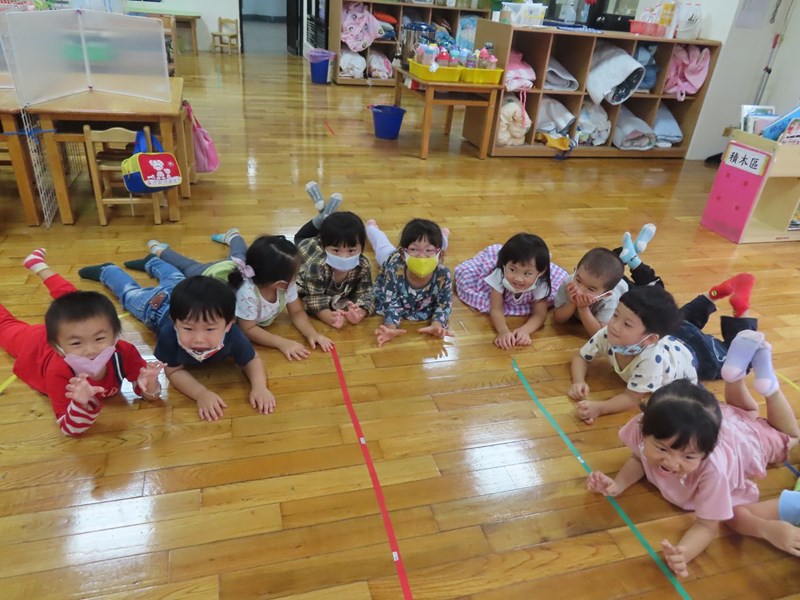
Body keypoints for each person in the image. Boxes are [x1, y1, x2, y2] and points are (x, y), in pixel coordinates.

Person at [588, 332, 800, 577]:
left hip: (749, 440)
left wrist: (684, 552)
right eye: (662, 449)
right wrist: (617, 485)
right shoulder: (646, 428)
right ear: (644, 428)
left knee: (790, 436)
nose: (671, 462)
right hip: (714, 422)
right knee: (743, 410)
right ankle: (734, 376)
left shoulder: (713, 471)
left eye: (688, 457)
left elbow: (707, 526)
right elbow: (638, 458)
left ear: (707, 452)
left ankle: (769, 387)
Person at [78, 258, 274, 422]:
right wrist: (201, 394)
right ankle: (108, 270)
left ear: (229, 325)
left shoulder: (233, 335)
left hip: (184, 303)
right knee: (129, 293)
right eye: (188, 329)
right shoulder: (169, 335)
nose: (198, 339)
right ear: (174, 323)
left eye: (210, 329)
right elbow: (173, 370)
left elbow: (252, 359)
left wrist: (259, 387)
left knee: (175, 278)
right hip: (155, 306)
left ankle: (153, 261)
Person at [0, 249, 162, 436]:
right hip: (33, 344)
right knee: (4, 325)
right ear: (58, 348)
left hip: (67, 333)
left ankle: (39, 266)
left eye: (99, 339)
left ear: (115, 335)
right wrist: (80, 405)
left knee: (77, 302)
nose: (90, 350)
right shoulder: (58, 371)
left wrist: (150, 384)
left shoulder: (124, 351)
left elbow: (148, 393)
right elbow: (68, 428)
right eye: (77, 344)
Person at [569, 273, 757, 423]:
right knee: (679, 319)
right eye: (615, 315)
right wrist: (578, 381)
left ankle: (740, 310)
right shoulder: (609, 334)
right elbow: (581, 356)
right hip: (673, 332)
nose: (614, 325)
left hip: (697, 352)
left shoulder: (650, 359)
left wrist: (599, 408)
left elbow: (631, 398)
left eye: (627, 324)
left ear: (651, 339)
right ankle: (713, 295)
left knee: (736, 361)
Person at [129, 231, 333, 361]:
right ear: (279, 283)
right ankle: (159, 251)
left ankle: (233, 236)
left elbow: (296, 312)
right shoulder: (248, 294)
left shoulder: (284, 285)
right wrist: (282, 342)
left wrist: (312, 334)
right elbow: (248, 329)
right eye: (296, 273)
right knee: (186, 265)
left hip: (239, 269)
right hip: (212, 274)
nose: (297, 277)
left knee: (238, 256)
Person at [454, 233, 568, 349]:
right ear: (504, 264)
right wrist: (503, 331)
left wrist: (525, 330)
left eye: (527, 273)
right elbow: (496, 309)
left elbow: (540, 314)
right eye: (513, 270)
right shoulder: (499, 275)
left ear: (541, 272)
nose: (518, 278)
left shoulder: (541, 282)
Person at [366, 218, 453, 347]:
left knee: (440, 242)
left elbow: (444, 305)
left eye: (429, 250)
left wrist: (437, 325)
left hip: (437, 253)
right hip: (391, 258)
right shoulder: (394, 270)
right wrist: (391, 328)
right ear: (403, 253)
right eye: (413, 249)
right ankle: (371, 227)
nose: (421, 256)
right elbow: (391, 303)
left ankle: (444, 235)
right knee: (381, 245)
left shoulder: (443, 274)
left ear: (440, 255)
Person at [295, 208, 375, 329]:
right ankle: (319, 219)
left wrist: (360, 312)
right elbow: (314, 299)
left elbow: (367, 293)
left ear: (362, 248)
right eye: (336, 251)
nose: (344, 257)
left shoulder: (363, 265)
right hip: (304, 247)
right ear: (324, 247)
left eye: (351, 250)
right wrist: (330, 318)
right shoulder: (317, 266)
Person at [552, 247, 627, 337]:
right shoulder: (569, 283)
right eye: (578, 280)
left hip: (624, 289)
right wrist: (572, 303)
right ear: (575, 271)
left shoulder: (609, 300)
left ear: (606, 294)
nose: (579, 289)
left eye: (591, 289)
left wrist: (583, 309)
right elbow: (558, 318)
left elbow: (599, 334)